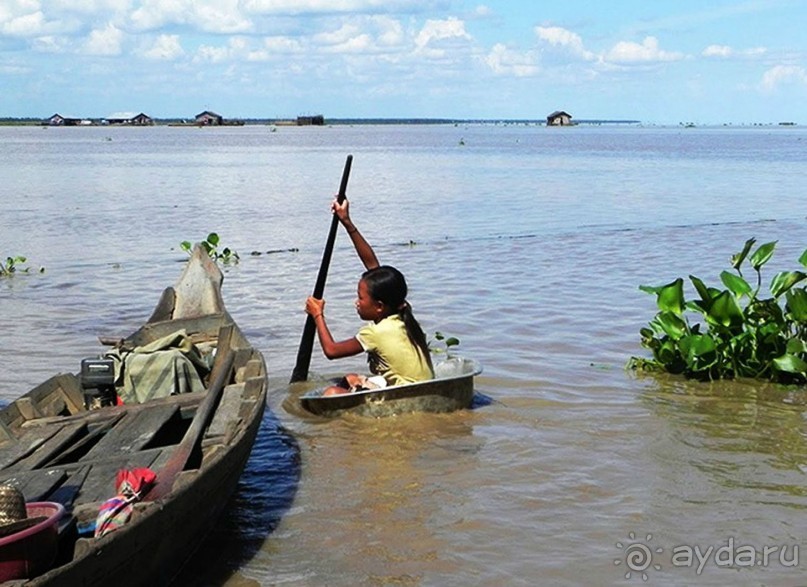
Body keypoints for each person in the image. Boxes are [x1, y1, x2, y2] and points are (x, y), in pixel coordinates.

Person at [305, 197, 434, 396]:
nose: (356, 303)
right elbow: (373, 266)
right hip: (418, 388)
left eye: (361, 298)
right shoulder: (400, 313)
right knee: (350, 378)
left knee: (331, 392)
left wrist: (318, 314)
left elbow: (331, 351)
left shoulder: (375, 332)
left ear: (380, 306)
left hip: (406, 396)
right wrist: (347, 222)